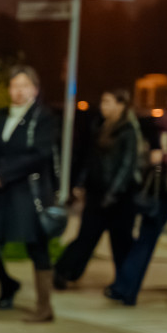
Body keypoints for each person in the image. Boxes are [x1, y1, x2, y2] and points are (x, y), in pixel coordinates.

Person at [0, 65, 59, 322]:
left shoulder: (43, 118)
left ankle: (44, 307)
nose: (19, 91)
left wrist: (3, 173)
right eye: (15, 86)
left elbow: (40, 154)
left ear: (35, 90)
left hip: (27, 193)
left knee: (36, 246)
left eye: (25, 86)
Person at [54, 89, 140, 289]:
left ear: (121, 105)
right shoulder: (99, 126)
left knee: (121, 243)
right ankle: (64, 271)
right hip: (97, 193)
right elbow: (91, 160)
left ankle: (124, 285)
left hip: (120, 198)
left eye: (108, 102)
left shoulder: (128, 131)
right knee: (87, 236)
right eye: (102, 101)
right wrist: (80, 183)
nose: (103, 106)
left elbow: (127, 166)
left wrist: (113, 193)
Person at [106, 106, 167, 305]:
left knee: (145, 238)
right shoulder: (158, 124)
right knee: (145, 238)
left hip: (161, 188)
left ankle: (125, 287)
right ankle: (126, 288)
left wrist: (164, 156)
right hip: (160, 190)